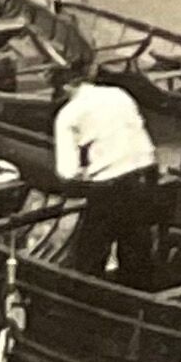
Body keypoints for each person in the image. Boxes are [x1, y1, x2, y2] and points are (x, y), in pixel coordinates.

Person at [53, 76, 164, 284]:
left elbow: (67, 172)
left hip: (113, 184)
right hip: (147, 173)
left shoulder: (68, 115)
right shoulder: (118, 93)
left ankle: (86, 294)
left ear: (64, 86)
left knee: (89, 254)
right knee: (137, 246)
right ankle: (139, 291)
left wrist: (83, 173)